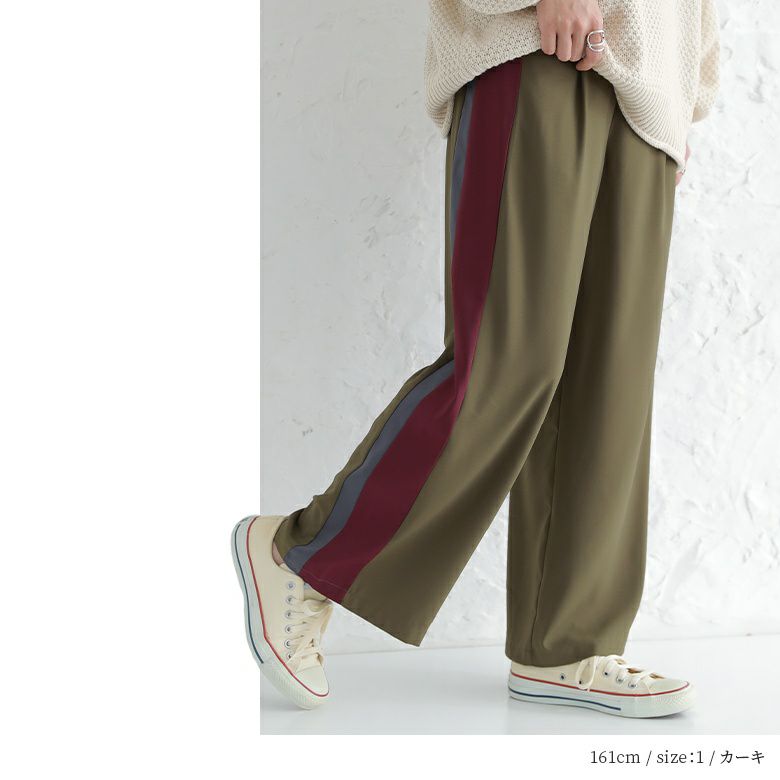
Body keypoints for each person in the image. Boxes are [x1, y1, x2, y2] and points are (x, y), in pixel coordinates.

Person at [233, 0, 720, 716]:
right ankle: (299, 555)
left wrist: (685, 92)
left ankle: (565, 645)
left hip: (650, 92)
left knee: (609, 384)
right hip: (538, 47)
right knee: (507, 362)